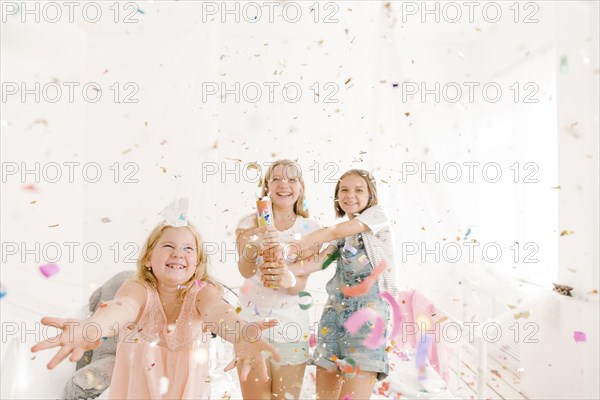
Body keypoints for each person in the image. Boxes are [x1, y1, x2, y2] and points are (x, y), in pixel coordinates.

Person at [32, 221, 280, 399]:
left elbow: (218, 312)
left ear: (197, 263)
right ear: (149, 258)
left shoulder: (202, 292)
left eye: (188, 249)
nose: (178, 253)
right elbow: (121, 308)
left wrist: (241, 334)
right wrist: (93, 326)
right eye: (168, 246)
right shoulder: (138, 288)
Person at [278, 169, 398, 400]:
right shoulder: (342, 238)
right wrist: (280, 266)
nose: (350, 195)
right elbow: (317, 263)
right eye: (344, 190)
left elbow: (332, 230)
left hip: (369, 315)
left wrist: (291, 246)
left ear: (370, 196)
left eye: (358, 190)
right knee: (325, 396)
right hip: (334, 315)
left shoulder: (378, 216)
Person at [235, 159, 321, 399]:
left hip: (291, 329)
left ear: (301, 187)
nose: (285, 185)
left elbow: (300, 285)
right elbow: (244, 270)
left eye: (292, 179)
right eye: (277, 179)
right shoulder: (248, 223)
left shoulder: (311, 230)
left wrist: (289, 279)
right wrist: (255, 243)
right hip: (251, 326)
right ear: (267, 186)